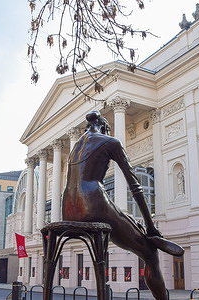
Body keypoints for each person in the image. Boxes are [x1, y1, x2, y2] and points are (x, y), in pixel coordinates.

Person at [62, 111, 184, 300]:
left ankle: (142, 232)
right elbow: (135, 187)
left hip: (68, 208)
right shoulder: (111, 142)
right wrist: (151, 227)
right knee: (150, 254)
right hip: (93, 204)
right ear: (104, 127)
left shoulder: (75, 148)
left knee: (122, 215)